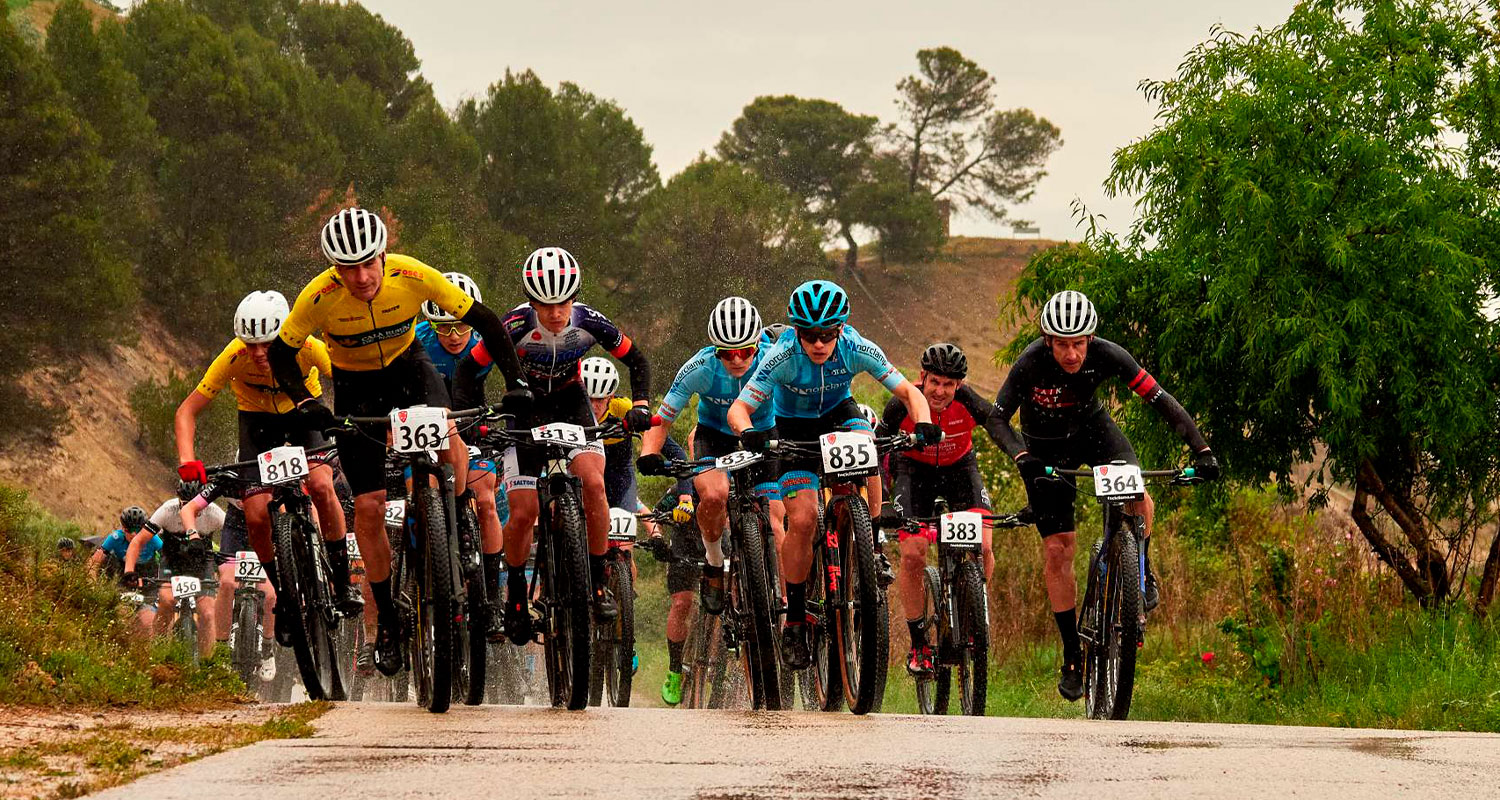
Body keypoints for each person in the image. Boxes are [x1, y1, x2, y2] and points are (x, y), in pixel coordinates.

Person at [267, 207, 529, 676]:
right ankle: (388, 618)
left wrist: (516, 382)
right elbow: (282, 355)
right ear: (334, 269)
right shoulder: (319, 295)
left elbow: (488, 320)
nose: (362, 277)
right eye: (348, 268)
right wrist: (307, 405)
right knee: (367, 507)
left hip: (411, 372)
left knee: (448, 437)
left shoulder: (413, 274)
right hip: (355, 388)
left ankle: (463, 511)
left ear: (383, 254)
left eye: (369, 263)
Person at [990, 289, 1219, 701]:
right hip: (1042, 449)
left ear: (1090, 340)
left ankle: (1140, 565)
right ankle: (1072, 653)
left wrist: (1202, 450)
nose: (1072, 354)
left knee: (1138, 495)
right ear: (1048, 341)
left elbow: (1161, 399)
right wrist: (1020, 455)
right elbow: (997, 417)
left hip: (1094, 433)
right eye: (1063, 345)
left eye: (1079, 344)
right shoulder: (1030, 362)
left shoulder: (1111, 354)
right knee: (1059, 551)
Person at [727, 280, 940, 670]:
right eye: (809, 335)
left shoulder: (856, 346)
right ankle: (793, 619)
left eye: (827, 335)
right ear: (797, 332)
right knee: (804, 519)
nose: (819, 344)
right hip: (792, 428)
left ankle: (870, 541)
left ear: (840, 329)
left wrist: (923, 422)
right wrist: (750, 433)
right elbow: (738, 410)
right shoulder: (782, 354)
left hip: (840, 413)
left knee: (869, 443)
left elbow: (910, 391)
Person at [454, 247, 653, 644]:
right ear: (531, 302)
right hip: (525, 411)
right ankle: (514, 597)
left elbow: (638, 361)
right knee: (524, 512)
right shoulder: (512, 325)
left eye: (562, 302)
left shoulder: (590, 322)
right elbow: (467, 373)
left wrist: (643, 406)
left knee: (594, 485)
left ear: (574, 298)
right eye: (545, 305)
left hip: (571, 402)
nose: (556, 313)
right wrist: (471, 421)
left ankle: (597, 582)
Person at [174, 290, 358, 649]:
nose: (258, 354)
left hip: (304, 415)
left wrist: (351, 420)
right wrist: (186, 459)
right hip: (258, 425)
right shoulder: (232, 356)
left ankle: (341, 577)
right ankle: (285, 591)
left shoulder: (307, 346)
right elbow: (187, 410)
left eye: (267, 344)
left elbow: (347, 379)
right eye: (250, 344)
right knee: (256, 516)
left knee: (321, 485)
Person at [639, 297, 785, 618]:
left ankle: (788, 612)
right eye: (726, 353)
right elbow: (662, 419)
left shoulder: (774, 359)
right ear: (714, 350)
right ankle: (715, 561)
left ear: (757, 345)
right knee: (715, 496)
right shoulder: (700, 367)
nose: (737, 360)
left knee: (776, 516)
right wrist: (649, 452)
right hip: (714, 438)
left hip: (761, 434)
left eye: (745, 351)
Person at [879, 342, 1009, 677]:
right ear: (922, 377)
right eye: (934, 382)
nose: (939, 391)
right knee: (913, 553)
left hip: (959, 470)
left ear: (959, 386)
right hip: (913, 472)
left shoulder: (969, 403)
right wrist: (880, 500)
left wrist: (1027, 460)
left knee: (983, 544)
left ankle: (972, 613)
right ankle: (919, 642)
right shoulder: (902, 403)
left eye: (948, 385)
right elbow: (879, 447)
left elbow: (999, 428)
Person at [413, 271, 510, 641]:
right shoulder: (418, 340)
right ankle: (423, 566)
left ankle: (491, 601)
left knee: (485, 499)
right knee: (415, 494)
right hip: (427, 425)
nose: (453, 336)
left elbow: (518, 376)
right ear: (429, 325)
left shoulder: (488, 339)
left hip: (472, 425)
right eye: (443, 328)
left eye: (460, 327)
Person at [125, 495, 226, 659]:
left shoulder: (214, 512)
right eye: (185, 504)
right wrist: (129, 571)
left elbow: (236, 535)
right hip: (172, 562)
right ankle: (157, 650)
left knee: (207, 614)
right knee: (167, 601)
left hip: (201, 563)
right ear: (179, 500)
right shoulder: (167, 510)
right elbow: (137, 542)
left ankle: (207, 662)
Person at [647, 487, 701, 706]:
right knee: (681, 603)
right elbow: (655, 515)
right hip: (683, 550)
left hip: (718, 545)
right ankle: (675, 669)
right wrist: (657, 537)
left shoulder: (727, 480)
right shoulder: (683, 487)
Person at [94, 506, 160, 634]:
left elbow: (168, 559)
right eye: (129, 530)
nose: (134, 534)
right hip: (124, 582)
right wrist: (92, 583)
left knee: (148, 621)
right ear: (123, 528)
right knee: (121, 616)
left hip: (148, 583)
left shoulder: (153, 539)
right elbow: (94, 562)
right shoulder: (115, 538)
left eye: (138, 529)